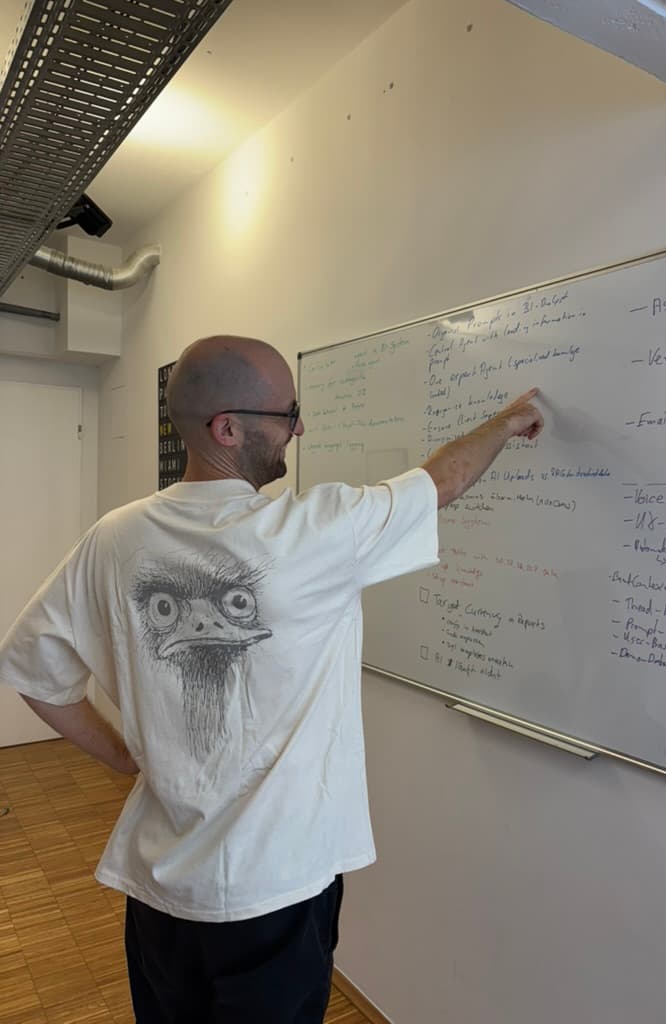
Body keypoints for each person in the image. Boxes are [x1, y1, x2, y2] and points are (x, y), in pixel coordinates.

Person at [0, 335, 543, 1023]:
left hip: (161, 890)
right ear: (227, 428)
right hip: (277, 893)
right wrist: (507, 422)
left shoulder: (113, 537)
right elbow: (442, 483)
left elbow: (34, 671)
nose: (300, 427)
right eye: (287, 413)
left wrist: (122, 756)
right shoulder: (316, 531)